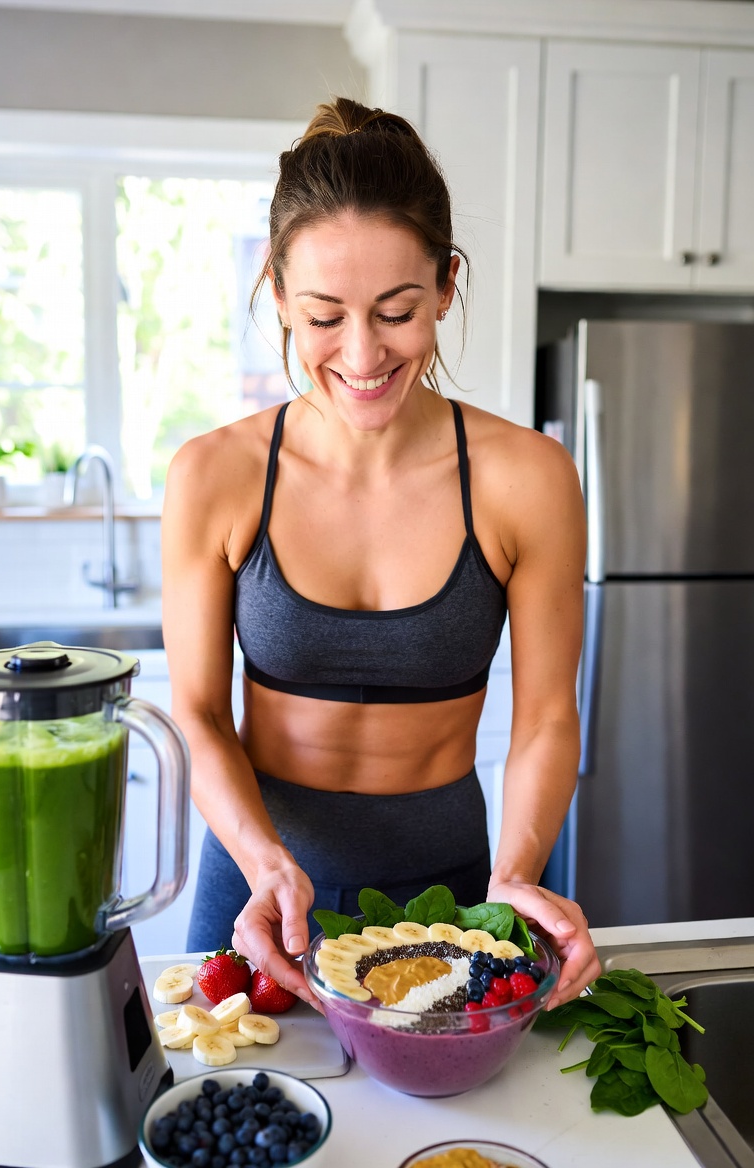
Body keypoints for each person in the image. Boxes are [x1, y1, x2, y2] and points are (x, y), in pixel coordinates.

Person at [161, 96, 601, 1010]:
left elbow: (549, 718)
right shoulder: (215, 475)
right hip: (259, 894)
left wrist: (517, 873)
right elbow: (199, 714)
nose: (362, 355)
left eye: (398, 311)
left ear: (445, 285)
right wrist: (263, 863)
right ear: (276, 294)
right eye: (323, 316)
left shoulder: (529, 478)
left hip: (452, 893)